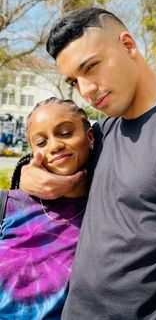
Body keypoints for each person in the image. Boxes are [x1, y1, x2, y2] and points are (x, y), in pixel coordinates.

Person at [20, 7, 156, 319]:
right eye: (73, 81)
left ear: (128, 45)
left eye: (91, 67)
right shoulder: (104, 133)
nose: (86, 90)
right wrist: (26, 173)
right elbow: (54, 163)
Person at [0, 97, 94, 319]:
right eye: (41, 142)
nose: (54, 145)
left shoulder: (107, 210)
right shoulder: (8, 205)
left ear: (89, 137)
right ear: (33, 154)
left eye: (65, 133)